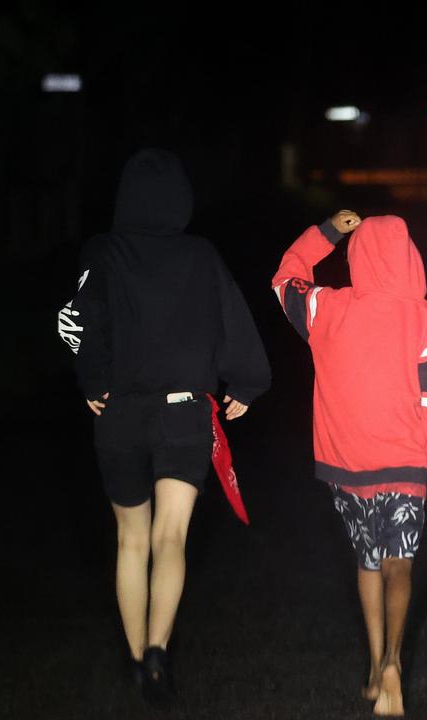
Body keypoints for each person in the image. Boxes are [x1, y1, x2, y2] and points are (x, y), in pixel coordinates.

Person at [57, 148, 271, 703]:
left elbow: (74, 322)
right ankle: (158, 650)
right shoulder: (201, 256)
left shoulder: (102, 252)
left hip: (120, 415)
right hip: (183, 413)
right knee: (170, 537)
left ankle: (134, 660)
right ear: (181, 199)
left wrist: (93, 382)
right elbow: (233, 320)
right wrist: (244, 383)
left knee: (131, 539)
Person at [272, 211, 427, 717]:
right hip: (405, 464)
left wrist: (328, 232)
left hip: (347, 466)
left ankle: (373, 663)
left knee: (368, 561)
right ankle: (392, 663)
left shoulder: (327, 308)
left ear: (357, 256)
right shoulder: (422, 317)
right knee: (400, 561)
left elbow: (285, 280)